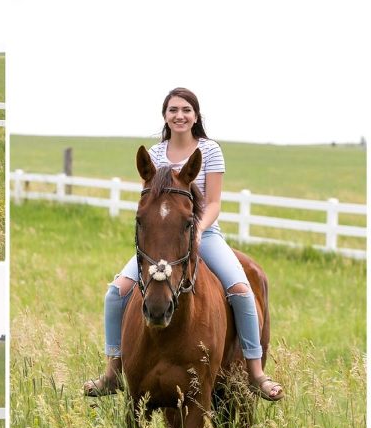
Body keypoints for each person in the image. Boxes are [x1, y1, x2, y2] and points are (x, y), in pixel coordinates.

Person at [83, 87, 284, 401]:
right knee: (115, 294)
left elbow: (214, 202)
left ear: (196, 115)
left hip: (205, 233)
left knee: (242, 292)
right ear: (165, 115)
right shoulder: (156, 152)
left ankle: (255, 372)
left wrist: (199, 230)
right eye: (173, 110)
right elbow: (152, 203)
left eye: (186, 110)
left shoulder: (211, 150)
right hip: (165, 239)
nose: (179, 115)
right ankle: (112, 372)